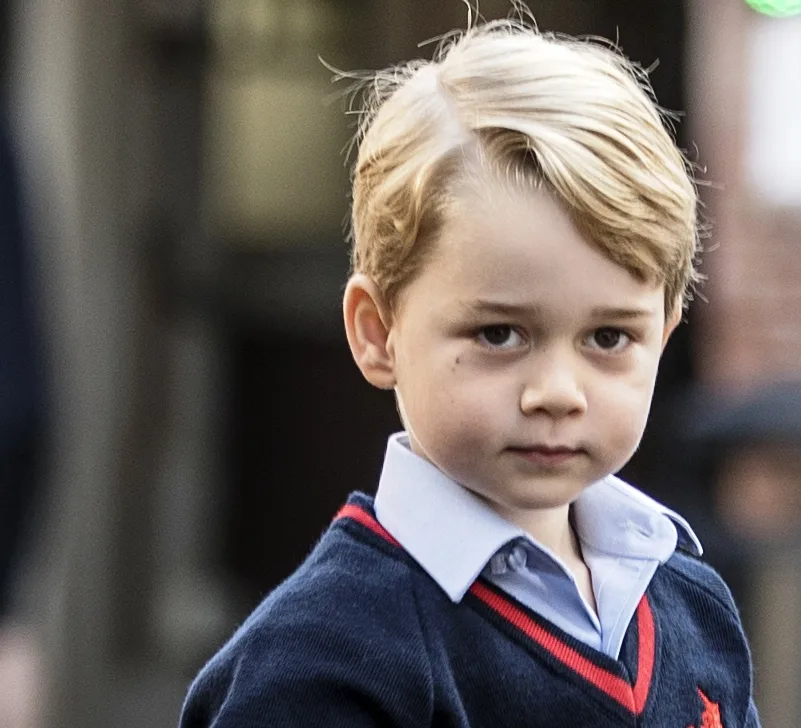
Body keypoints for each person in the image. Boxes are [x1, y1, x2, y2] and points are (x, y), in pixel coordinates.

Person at [180, 16, 760, 728]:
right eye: (499, 333)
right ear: (378, 330)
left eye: (608, 336)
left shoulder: (694, 609)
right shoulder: (317, 666)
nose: (556, 391)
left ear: (664, 337)